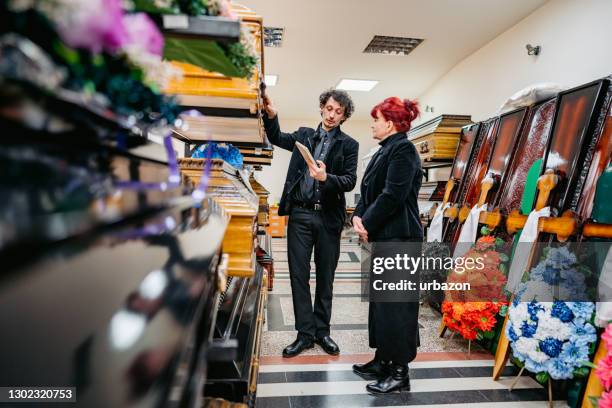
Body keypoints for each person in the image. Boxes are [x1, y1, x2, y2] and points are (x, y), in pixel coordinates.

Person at [262, 89, 359, 357]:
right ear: (321, 107)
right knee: (298, 276)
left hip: (329, 217)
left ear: (344, 117)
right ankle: (305, 334)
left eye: (338, 112)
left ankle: (322, 332)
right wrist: (272, 116)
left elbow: (350, 180)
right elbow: (276, 137)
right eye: (329, 108)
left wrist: (327, 178)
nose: (332, 115)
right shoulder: (304, 134)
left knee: (326, 277)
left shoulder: (349, 145)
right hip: (301, 215)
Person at [351, 97, 423, 394]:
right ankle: (383, 359)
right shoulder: (385, 150)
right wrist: (358, 216)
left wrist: (366, 222)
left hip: (400, 238)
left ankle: (399, 371)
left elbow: (392, 196)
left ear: (390, 123)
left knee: (397, 308)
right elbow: (368, 191)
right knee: (381, 305)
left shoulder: (403, 150)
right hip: (385, 236)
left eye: (376, 119)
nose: (372, 124)